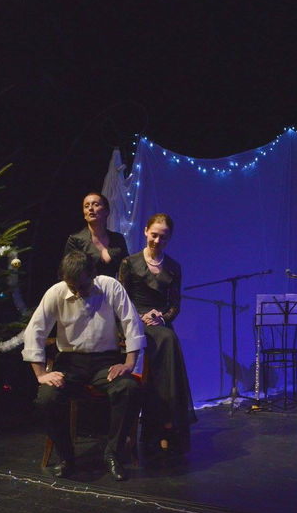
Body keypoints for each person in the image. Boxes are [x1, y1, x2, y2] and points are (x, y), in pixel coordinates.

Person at [22, 251, 146, 481]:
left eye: (82, 286)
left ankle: (113, 453)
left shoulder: (110, 286)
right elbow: (34, 331)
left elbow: (132, 323)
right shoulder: (57, 292)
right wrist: (40, 374)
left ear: (93, 274)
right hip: (70, 364)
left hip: (105, 363)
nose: (77, 292)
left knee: (129, 389)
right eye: (72, 287)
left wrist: (129, 363)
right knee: (47, 397)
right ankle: (66, 457)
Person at [118, 213, 196, 454]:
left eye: (163, 237)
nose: (157, 241)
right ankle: (160, 425)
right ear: (145, 231)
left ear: (169, 238)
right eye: (154, 235)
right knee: (167, 339)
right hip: (134, 320)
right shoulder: (129, 263)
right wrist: (140, 316)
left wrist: (161, 317)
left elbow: (175, 306)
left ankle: (166, 424)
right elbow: (122, 300)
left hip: (160, 322)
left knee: (168, 340)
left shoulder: (173, 267)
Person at [64, 192, 129, 278]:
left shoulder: (117, 239)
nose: (90, 208)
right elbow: (69, 272)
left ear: (106, 211)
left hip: (111, 286)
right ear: (84, 214)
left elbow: (127, 271)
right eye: (86, 206)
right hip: (85, 286)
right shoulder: (75, 240)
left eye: (96, 205)